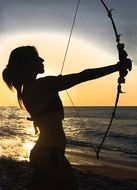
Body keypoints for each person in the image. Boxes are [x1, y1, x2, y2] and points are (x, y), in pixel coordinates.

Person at [2, 46, 132, 190]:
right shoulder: (41, 86)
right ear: (26, 64)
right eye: (37, 57)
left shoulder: (31, 89)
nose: (42, 59)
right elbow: (83, 75)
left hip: (49, 154)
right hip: (50, 156)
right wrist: (116, 67)